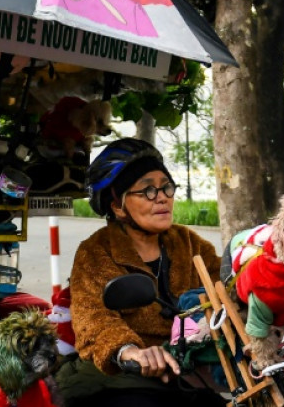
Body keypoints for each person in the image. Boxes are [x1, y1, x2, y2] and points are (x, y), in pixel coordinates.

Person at [57, 138, 224, 407]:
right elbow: (94, 320)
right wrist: (129, 351)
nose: (161, 197)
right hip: (120, 376)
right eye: (147, 190)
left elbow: (222, 288)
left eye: (166, 187)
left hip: (187, 371)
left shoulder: (190, 243)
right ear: (118, 206)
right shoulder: (95, 251)